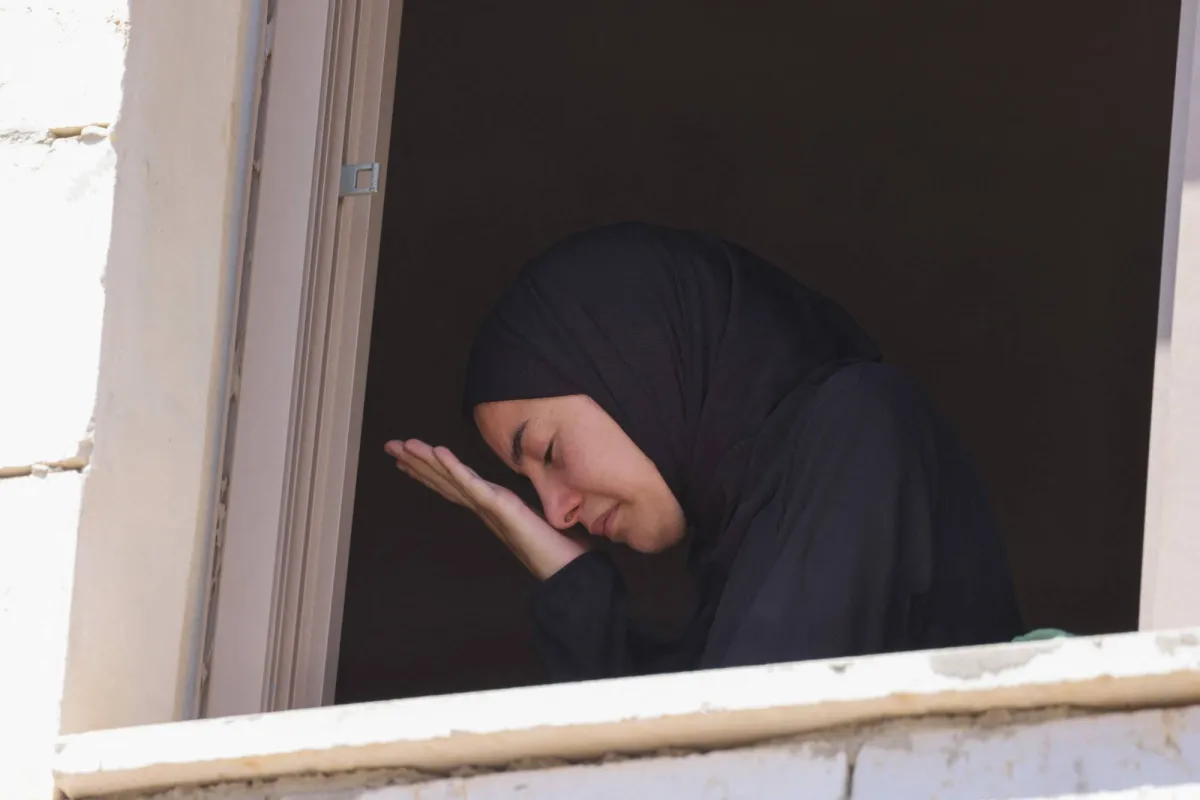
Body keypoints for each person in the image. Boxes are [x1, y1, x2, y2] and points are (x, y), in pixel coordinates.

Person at [385, 222, 1023, 681]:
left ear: (643, 367)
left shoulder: (861, 423)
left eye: (549, 452)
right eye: (529, 484)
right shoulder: (742, 545)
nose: (556, 512)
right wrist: (570, 581)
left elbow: (749, 754)